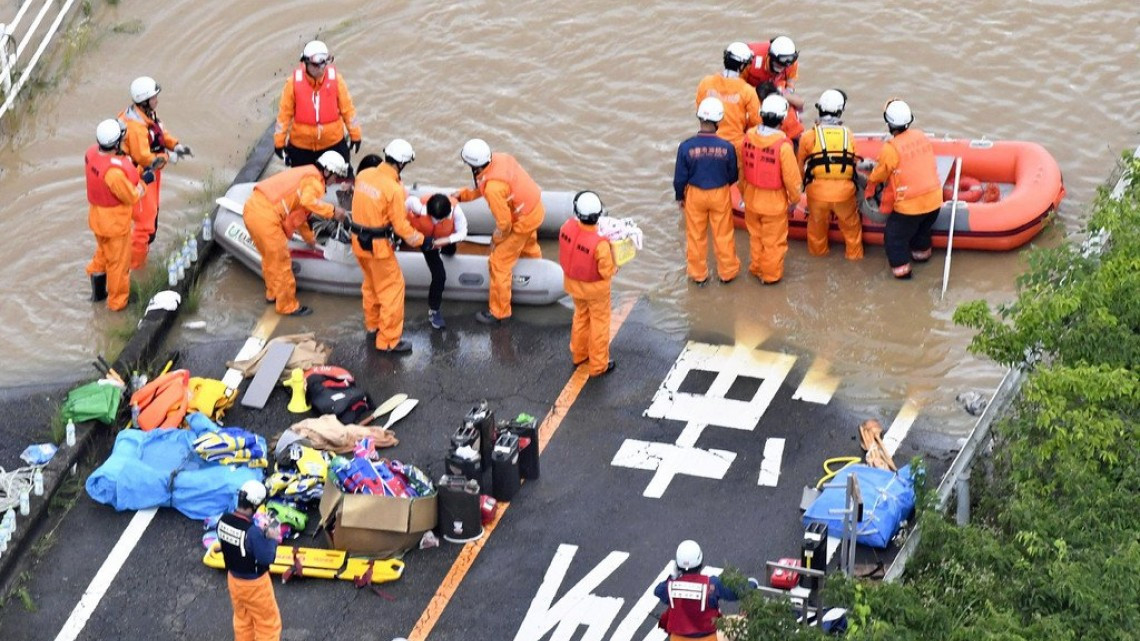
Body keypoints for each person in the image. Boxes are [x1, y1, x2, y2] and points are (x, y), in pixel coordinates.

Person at [243, 151, 348, 316]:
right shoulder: (314, 182)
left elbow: (300, 215)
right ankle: (287, 306)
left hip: (253, 210)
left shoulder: (306, 174)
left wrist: (310, 239)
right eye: (335, 176)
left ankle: (274, 293)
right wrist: (333, 211)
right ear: (327, 171)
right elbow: (308, 202)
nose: (336, 180)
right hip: (266, 218)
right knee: (282, 263)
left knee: (270, 260)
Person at [453, 139, 545, 325]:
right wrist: (463, 195)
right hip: (533, 211)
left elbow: (504, 224)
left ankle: (500, 313)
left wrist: (496, 239)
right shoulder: (500, 159)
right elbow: (484, 186)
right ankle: (536, 270)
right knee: (528, 245)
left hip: (521, 222)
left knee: (498, 263)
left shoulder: (494, 189)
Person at [351, 140, 425, 353]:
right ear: (402, 164)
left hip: (358, 242)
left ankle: (373, 325)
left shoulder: (363, 176)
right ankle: (389, 341)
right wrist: (422, 240)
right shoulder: (394, 190)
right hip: (378, 248)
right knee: (392, 289)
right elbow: (401, 227)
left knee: (371, 285)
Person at [118, 76, 192, 270]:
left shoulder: (147, 115)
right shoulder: (134, 127)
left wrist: (175, 145)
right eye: (153, 97)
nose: (157, 99)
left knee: (152, 217)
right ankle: (136, 269)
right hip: (139, 177)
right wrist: (168, 157)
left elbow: (160, 133)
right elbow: (144, 157)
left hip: (152, 174)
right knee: (144, 226)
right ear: (144, 100)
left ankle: (138, 254)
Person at [864, 99, 942, 279]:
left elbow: (879, 176)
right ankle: (922, 256)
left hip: (910, 208)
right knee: (922, 232)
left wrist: (870, 175)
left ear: (889, 123)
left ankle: (903, 275)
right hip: (934, 201)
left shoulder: (890, 149)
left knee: (894, 238)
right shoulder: (922, 136)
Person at [85, 119, 151, 311]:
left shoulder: (90, 155)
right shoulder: (114, 173)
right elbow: (131, 196)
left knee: (103, 254)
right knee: (119, 265)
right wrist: (144, 181)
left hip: (97, 218)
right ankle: (117, 304)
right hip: (115, 224)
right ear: (115, 144)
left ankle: (97, 295)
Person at [673, 97, 740, 285]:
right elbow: (733, 175)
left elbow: (679, 178)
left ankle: (698, 275)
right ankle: (727, 273)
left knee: (696, 235)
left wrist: (680, 196)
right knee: (723, 234)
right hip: (719, 193)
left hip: (695, 194)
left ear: (699, 118)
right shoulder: (727, 148)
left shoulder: (686, 147)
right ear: (719, 121)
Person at [738, 95, 802, 284]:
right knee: (774, 243)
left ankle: (756, 268)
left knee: (756, 238)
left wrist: (743, 193)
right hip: (773, 205)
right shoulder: (783, 147)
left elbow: (742, 170)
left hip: (751, 199)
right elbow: (792, 179)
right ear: (782, 120)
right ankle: (771, 277)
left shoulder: (748, 137)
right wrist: (795, 201)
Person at [274, 40, 362, 169]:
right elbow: (284, 116)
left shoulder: (337, 81)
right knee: (302, 184)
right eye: (316, 65)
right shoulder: (292, 84)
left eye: (323, 65)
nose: (320, 69)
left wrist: (356, 135)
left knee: (343, 182)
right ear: (306, 63)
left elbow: (348, 111)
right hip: (302, 147)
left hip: (333, 143)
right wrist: (279, 142)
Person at [797, 89, 863, 259]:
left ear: (819, 109)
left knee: (816, 232)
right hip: (845, 195)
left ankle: (818, 264)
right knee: (852, 232)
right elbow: (853, 161)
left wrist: (800, 189)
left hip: (817, 195)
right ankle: (854, 259)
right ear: (840, 111)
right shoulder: (848, 134)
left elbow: (799, 166)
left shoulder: (808, 136)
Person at [558, 191, 618, 377]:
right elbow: (607, 271)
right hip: (596, 290)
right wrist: (617, 262)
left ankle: (579, 354)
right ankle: (599, 364)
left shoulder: (566, 227)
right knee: (599, 323)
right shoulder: (600, 244)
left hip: (573, 285)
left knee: (581, 317)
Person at [218, 480, 282, 641]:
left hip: (233, 580)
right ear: (254, 505)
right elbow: (267, 557)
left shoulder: (223, 520)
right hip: (255, 585)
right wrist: (272, 537)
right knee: (267, 624)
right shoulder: (252, 533)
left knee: (242, 620)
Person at [654, 540, 745, 641]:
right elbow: (735, 593)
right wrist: (752, 583)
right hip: (707, 638)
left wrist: (673, 577)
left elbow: (658, 590)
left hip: (678, 638)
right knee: (742, 624)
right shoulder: (712, 584)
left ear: (678, 565)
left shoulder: (670, 587)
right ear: (700, 562)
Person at [405, 193, 468, 330]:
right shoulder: (418, 206)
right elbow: (407, 204)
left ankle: (445, 248)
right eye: (435, 219)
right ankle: (434, 310)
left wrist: (443, 241)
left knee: (450, 251)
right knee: (439, 275)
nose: (438, 222)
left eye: (441, 219)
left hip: (444, 237)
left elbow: (462, 232)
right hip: (425, 239)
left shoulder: (455, 211)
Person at [694, 42, 760, 152]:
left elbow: (699, 109)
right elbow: (756, 122)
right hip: (735, 146)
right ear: (742, 65)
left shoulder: (706, 82)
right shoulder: (748, 90)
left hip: (708, 144)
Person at [742, 35, 804, 111]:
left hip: (775, 88)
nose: (783, 68)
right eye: (779, 65)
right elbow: (738, 84)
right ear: (771, 57)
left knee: (795, 106)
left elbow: (790, 82)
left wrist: (782, 94)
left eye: (786, 66)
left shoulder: (790, 63)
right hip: (750, 88)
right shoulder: (750, 59)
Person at [757, 81, 804, 150]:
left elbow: (801, 103)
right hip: (794, 136)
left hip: (791, 139)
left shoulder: (772, 111)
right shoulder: (784, 99)